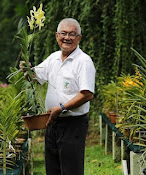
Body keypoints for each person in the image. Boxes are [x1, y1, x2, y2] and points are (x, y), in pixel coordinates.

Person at [24, 18, 96, 175]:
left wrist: (62, 108)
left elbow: (87, 94)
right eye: (64, 33)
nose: (67, 37)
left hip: (73, 124)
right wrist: (27, 70)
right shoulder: (54, 58)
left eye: (72, 34)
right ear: (57, 36)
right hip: (52, 122)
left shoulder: (83, 61)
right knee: (53, 169)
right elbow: (36, 76)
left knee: (71, 170)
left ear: (79, 38)